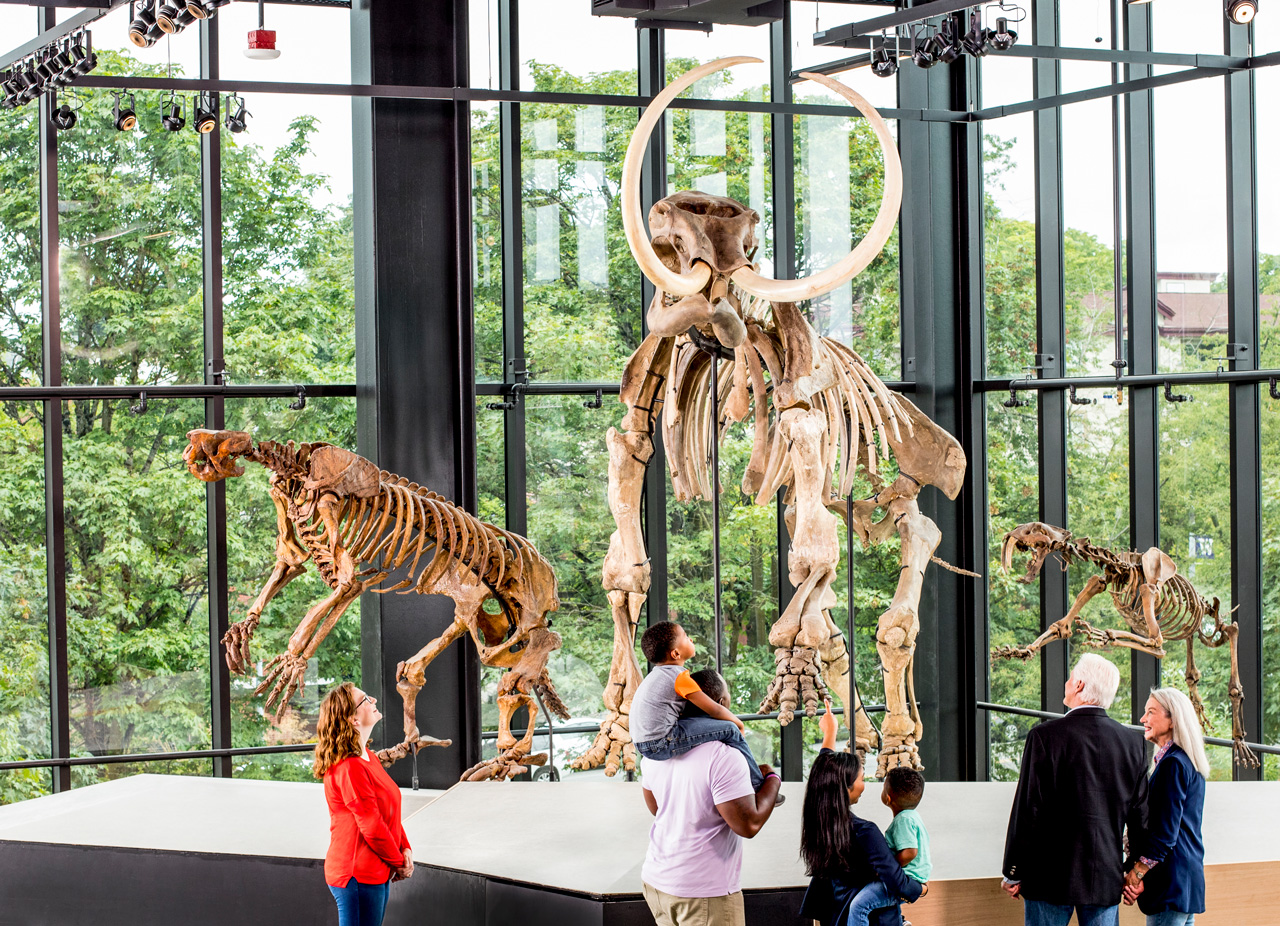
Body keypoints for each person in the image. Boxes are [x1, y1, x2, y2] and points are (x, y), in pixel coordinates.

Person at [1001, 653, 1149, 926]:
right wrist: (1132, 872)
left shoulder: (1044, 736)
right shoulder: (1133, 744)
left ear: (1079, 685)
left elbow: (1028, 810)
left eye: (1070, 678)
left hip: (1047, 877)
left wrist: (1013, 870)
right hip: (1104, 878)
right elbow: (1140, 819)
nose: (1067, 684)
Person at [640, 668, 783, 926]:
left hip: (657, 883)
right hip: (703, 894)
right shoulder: (724, 756)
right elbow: (749, 825)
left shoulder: (654, 754)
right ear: (720, 703)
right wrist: (772, 779)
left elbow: (656, 809)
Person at [799, 703, 927, 926]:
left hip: (835, 917)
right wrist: (922, 889)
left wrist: (830, 732)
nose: (864, 785)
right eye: (861, 779)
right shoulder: (865, 832)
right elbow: (897, 882)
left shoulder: (819, 822)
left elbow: (823, 775)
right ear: (846, 788)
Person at [314, 683, 414, 926]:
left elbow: (387, 813)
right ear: (353, 719)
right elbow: (372, 825)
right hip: (357, 874)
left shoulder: (368, 757)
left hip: (377, 870)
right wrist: (399, 862)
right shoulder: (349, 767)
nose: (374, 700)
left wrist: (405, 848)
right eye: (366, 699)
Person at [631, 621, 768, 791]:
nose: (691, 640)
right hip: (660, 743)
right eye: (686, 637)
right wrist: (738, 724)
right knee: (730, 729)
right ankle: (756, 784)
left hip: (641, 743)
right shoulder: (679, 677)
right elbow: (714, 708)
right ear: (675, 653)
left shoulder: (655, 676)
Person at [1123, 688, 1210, 926]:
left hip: (1169, 886)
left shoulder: (1172, 764)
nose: (1143, 719)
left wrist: (1137, 873)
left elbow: (1165, 834)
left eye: (1151, 712)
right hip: (1186, 883)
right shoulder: (1189, 762)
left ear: (1173, 720)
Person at [846, 766, 932, 926]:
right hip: (910, 880)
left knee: (859, 906)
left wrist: (889, 866)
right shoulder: (913, 817)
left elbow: (910, 852)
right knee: (882, 904)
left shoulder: (903, 820)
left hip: (904, 881)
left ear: (888, 797)